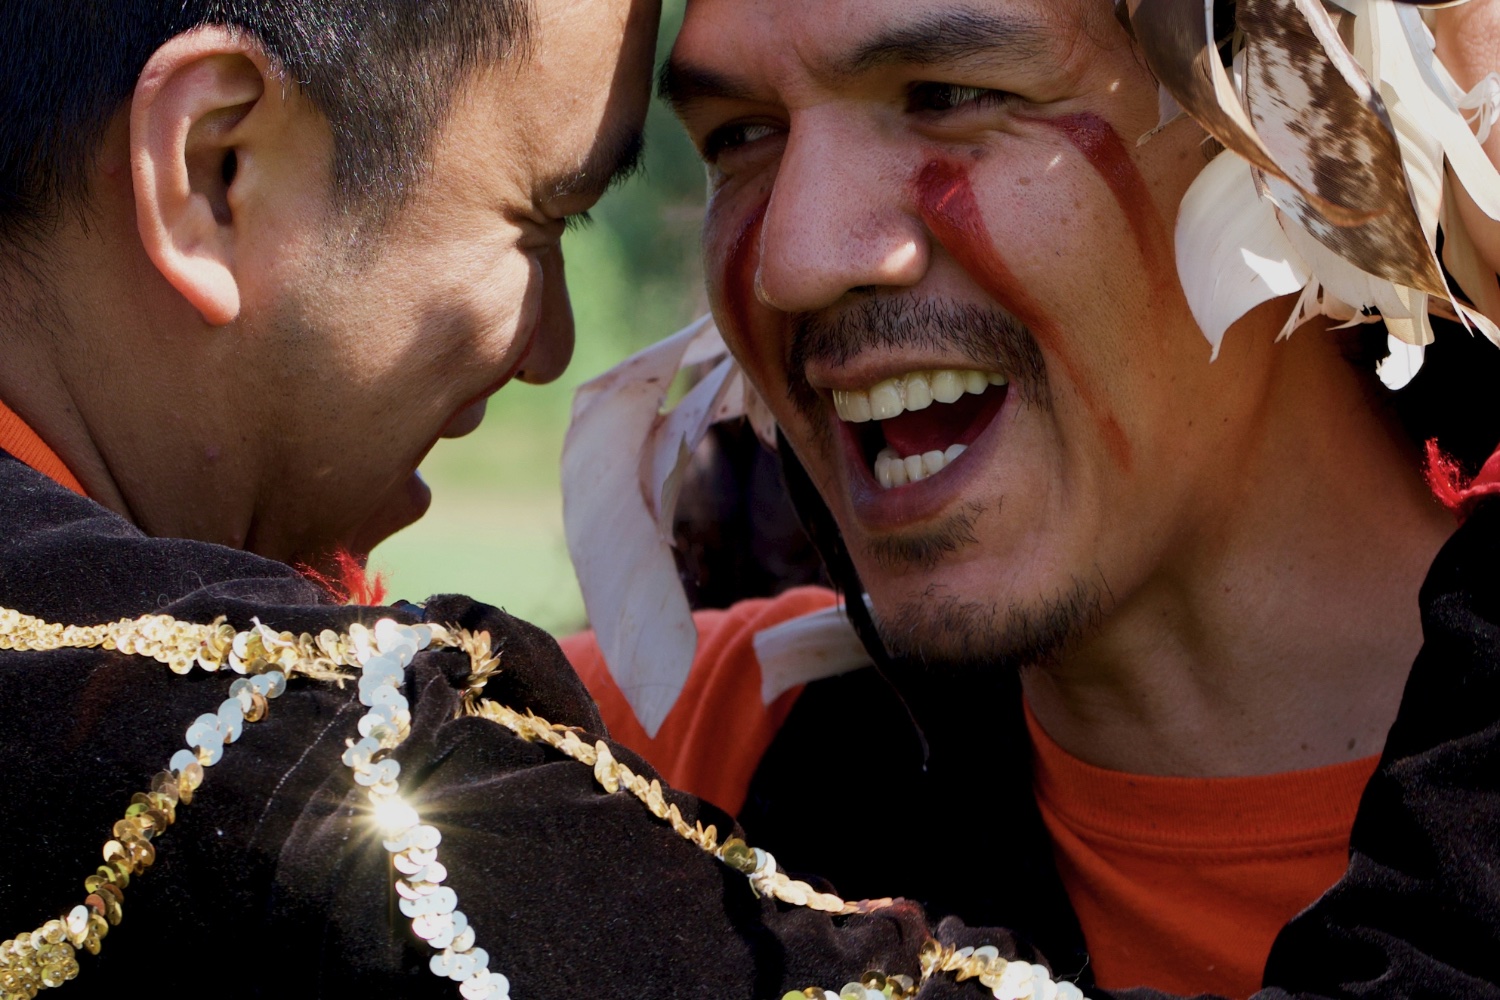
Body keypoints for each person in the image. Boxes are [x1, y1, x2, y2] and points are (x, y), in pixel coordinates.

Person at [0, 2, 988, 998]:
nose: (552, 349)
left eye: (952, 99)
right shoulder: (304, 780)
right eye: (543, 220)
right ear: (216, 169)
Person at [562, 0, 1500, 996]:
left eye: (950, 94)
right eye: (741, 135)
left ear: (1308, 121)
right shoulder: (636, 778)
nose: (794, 261)